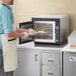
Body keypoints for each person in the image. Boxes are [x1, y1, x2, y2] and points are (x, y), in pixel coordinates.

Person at [0, 0, 35, 76]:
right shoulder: (5, 11)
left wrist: (28, 30)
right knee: (6, 73)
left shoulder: (6, 9)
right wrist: (22, 35)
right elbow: (9, 33)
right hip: (3, 49)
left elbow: (13, 29)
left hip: (6, 48)